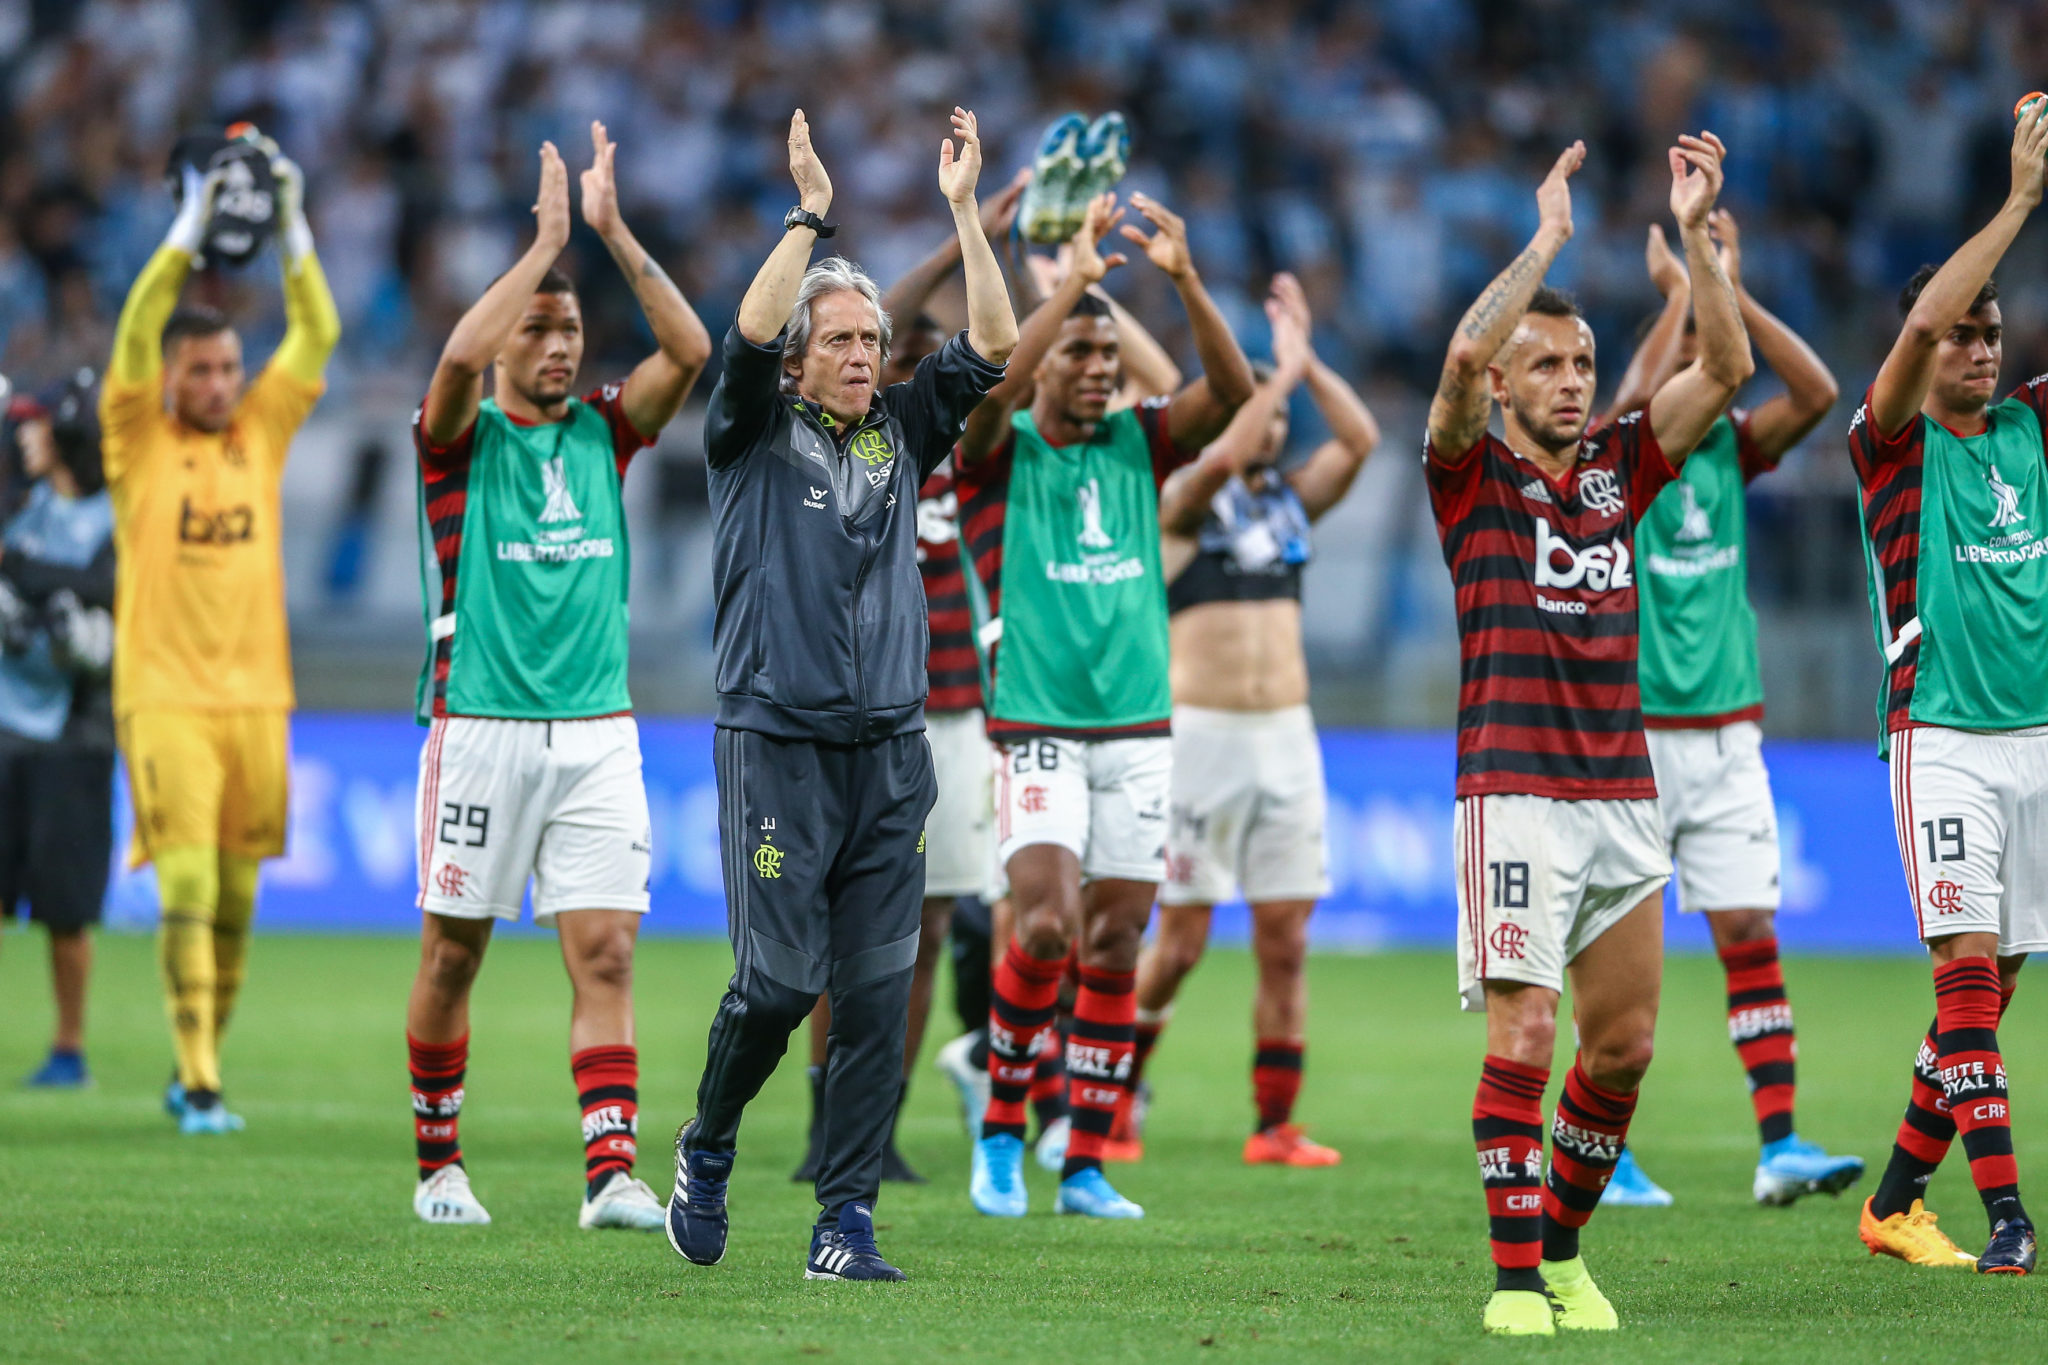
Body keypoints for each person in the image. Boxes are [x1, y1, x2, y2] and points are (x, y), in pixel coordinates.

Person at [667, 107, 1017, 1284]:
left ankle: (844, 1221)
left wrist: (965, 213)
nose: (867, 354)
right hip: (776, 745)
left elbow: (995, 342)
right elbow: (749, 327)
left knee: (874, 999)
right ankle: (707, 1144)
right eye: (845, 340)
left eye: (874, 338)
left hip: (890, 756)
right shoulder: (750, 431)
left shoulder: (906, 435)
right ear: (799, 360)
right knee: (776, 987)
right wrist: (810, 214)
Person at [1425, 135, 1751, 1336]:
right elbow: (1462, 352)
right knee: (1526, 1025)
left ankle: (1560, 1250)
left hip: (1620, 789)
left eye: (1583, 362)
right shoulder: (1461, 475)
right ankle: (1512, 1281)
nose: (1571, 380)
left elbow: (1728, 363)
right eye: (1547, 365)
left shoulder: (1622, 465)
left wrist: (1702, 240)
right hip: (1509, 790)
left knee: (1620, 1050)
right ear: (1506, 388)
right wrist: (1549, 241)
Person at [403, 126, 710, 1230]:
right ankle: (440, 1166)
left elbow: (691, 352)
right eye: (537, 328)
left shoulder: (607, 434)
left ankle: (610, 1173)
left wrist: (613, 235)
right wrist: (537, 251)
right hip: (478, 723)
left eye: (569, 329)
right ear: (500, 344)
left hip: (596, 732)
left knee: (608, 948)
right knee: (453, 951)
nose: (557, 344)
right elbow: (448, 365)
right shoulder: (456, 440)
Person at [958, 189, 1255, 1221]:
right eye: (1076, 355)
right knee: (1041, 929)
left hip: (1136, 730)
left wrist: (1181, 281)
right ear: (1045, 364)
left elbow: (1236, 389)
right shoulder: (998, 452)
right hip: (1037, 724)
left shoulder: (1141, 443)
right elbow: (990, 383)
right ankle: (1000, 1134)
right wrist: (1075, 284)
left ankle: (1082, 1160)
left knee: (1117, 944)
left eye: (1106, 358)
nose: (1095, 369)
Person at [1592, 210, 1862, 1209]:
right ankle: (1604, 1151)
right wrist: (1679, 294)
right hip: (1637, 736)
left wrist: (1722, 280)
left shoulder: (1732, 455)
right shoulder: (1623, 460)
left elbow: (1820, 391)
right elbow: (1624, 401)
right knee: (1624, 950)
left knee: (1747, 928)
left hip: (1728, 734)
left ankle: (1778, 1144)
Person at [788, 172, 1028, 1187]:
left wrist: (989, 239)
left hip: (955, 715)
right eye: (889, 345)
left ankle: (874, 1120)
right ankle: (824, 1118)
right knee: (831, 935)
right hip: (855, 710)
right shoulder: (855, 442)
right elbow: (862, 316)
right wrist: (954, 226)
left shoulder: (966, 459)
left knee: (925, 927)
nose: (891, 361)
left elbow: (1004, 350)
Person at [100, 134, 339, 1134]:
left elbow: (316, 334)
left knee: (236, 901)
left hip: (256, 698)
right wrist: (191, 226)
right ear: (168, 379)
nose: (218, 383)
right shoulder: (133, 435)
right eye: (201, 370)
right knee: (188, 882)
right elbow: (139, 322)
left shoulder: (260, 430)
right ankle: (200, 1081)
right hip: (161, 695)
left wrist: (289, 225)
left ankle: (199, 1061)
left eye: (228, 367)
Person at [1849, 102, 2048, 1278]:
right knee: (1964, 972)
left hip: (2036, 737)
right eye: (1958, 334)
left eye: (1990, 332)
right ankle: (2008, 1215)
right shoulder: (1888, 445)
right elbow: (1923, 313)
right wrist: (2020, 197)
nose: (1976, 347)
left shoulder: (2029, 429)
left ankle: (1891, 1199)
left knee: (1993, 983)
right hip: (1940, 739)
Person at [1123, 272, 1378, 1167]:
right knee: (1182, 942)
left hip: (1288, 741)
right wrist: (1268, 383)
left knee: (1286, 938)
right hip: (1203, 740)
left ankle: (1274, 1123)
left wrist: (1305, 368)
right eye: (1259, 406)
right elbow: (1221, 458)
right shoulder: (1184, 503)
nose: (1271, 421)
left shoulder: (1290, 504)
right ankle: (1120, 1094)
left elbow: (1361, 438)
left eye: (1277, 411)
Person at [0, 373, 114, 1086]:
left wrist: (20, 573)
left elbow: (110, 588)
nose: (23, 436)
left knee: (66, 907)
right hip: (7, 722)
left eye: (37, 424)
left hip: (76, 731)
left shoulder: (113, 515)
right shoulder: (26, 507)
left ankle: (69, 1045)